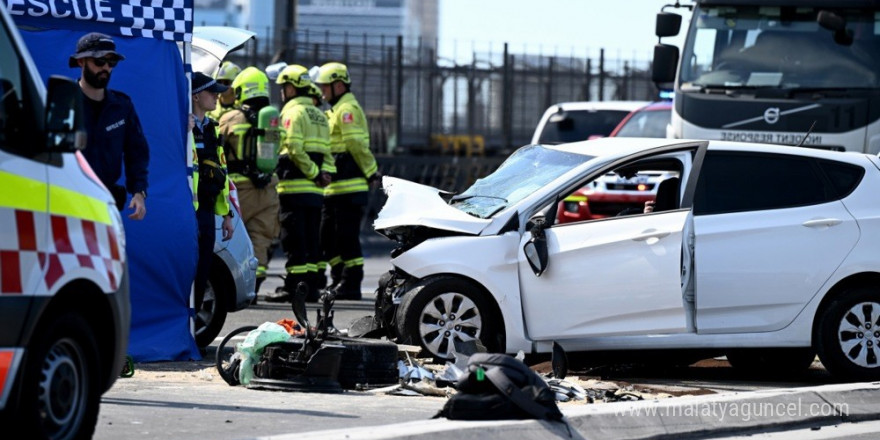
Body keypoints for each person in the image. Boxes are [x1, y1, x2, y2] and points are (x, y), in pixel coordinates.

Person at [265, 64, 333, 303]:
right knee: (312, 242)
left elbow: (293, 147)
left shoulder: (292, 113)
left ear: (292, 88)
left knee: (294, 241)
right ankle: (311, 289)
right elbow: (329, 152)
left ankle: (294, 289)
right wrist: (325, 174)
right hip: (316, 192)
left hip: (293, 188)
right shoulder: (319, 115)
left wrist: (314, 172)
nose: (282, 92)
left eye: (284, 87)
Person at [314, 62, 381, 300]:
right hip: (334, 189)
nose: (321, 92)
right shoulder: (336, 109)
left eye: (325, 87)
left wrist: (371, 171)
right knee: (327, 237)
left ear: (339, 85)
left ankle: (351, 284)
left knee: (346, 237)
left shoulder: (347, 109)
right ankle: (339, 278)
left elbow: (355, 145)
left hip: (349, 186)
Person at [70, 32, 149, 219]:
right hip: (67, 201)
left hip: (105, 203)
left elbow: (136, 153)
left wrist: (139, 192)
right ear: (81, 62)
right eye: (99, 62)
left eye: (111, 62)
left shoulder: (122, 106)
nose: (105, 67)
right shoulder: (63, 102)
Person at [217, 66, 281, 295]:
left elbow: (217, 148)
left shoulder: (230, 118)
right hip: (269, 188)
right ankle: (256, 285)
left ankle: (239, 285)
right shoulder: (273, 119)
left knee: (235, 238)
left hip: (241, 187)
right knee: (261, 238)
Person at [190, 72, 235, 319]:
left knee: (202, 268)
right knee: (186, 269)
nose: (217, 96)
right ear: (196, 96)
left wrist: (227, 214)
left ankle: (193, 327)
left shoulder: (212, 127)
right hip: (186, 211)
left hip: (206, 210)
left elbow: (222, 172)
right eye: (212, 92)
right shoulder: (182, 124)